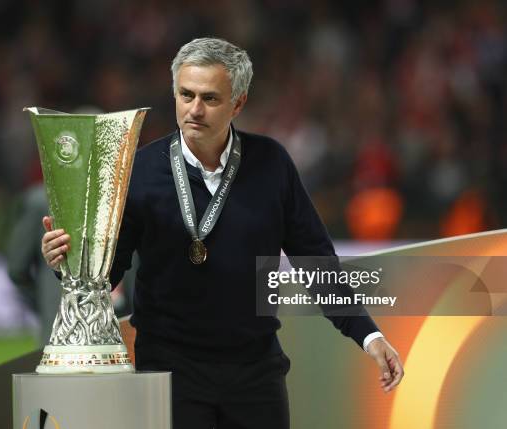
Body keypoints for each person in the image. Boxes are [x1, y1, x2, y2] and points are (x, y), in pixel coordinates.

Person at [41, 37, 404, 429]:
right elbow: (106, 274)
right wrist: (69, 263)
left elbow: (316, 263)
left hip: (256, 373)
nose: (194, 109)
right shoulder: (139, 170)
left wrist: (369, 336)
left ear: (239, 103)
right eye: (185, 95)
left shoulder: (272, 164)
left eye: (210, 98)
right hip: (169, 371)